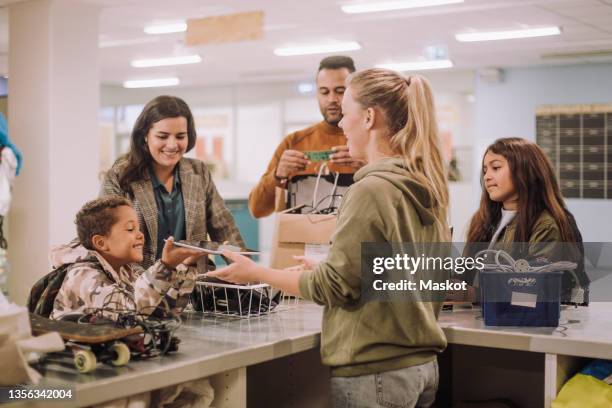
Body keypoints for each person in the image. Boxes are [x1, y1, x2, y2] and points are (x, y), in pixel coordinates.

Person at [209, 69, 450, 408]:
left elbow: (332, 288)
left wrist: (256, 273)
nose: (340, 125)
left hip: (375, 372)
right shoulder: (425, 184)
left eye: (347, 112)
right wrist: (330, 264)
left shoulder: (369, 190)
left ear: (368, 118)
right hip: (421, 368)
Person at [101, 95, 244, 272]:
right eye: (162, 136)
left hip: (191, 286)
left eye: (180, 136)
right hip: (138, 287)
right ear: (145, 135)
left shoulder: (198, 172)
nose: (172, 145)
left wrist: (248, 271)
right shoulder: (119, 175)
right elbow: (110, 241)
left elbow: (224, 228)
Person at [464, 137, 589, 303]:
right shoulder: (482, 220)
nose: (487, 176)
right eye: (485, 170)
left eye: (496, 167)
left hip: (541, 325)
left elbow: (534, 294)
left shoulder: (546, 225)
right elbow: (464, 274)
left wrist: (476, 295)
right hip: (493, 320)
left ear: (525, 171)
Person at [50, 196, 205, 320]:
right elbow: (133, 313)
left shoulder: (126, 271)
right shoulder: (83, 277)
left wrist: (185, 266)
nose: (140, 235)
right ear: (101, 243)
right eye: (130, 229)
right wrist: (165, 266)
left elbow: (165, 310)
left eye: (138, 228)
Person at [248, 55, 366, 218]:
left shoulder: (371, 139)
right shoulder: (293, 143)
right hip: (303, 240)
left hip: (356, 240)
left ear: (354, 93)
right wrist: (278, 175)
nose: (331, 99)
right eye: (324, 92)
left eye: (340, 91)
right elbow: (257, 209)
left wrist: (367, 168)